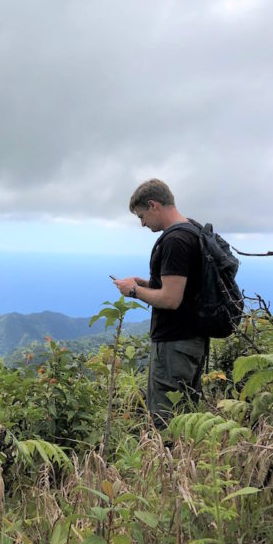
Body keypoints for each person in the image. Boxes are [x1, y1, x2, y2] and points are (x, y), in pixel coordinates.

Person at [113, 179, 207, 428]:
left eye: (142, 216)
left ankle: (170, 465)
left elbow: (171, 299)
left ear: (154, 205)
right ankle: (186, 464)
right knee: (186, 417)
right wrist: (143, 283)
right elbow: (180, 288)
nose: (143, 224)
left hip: (175, 346)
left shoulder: (175, 241)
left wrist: (133, 291)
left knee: (166, 422)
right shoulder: (192, 230)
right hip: (191, 342)